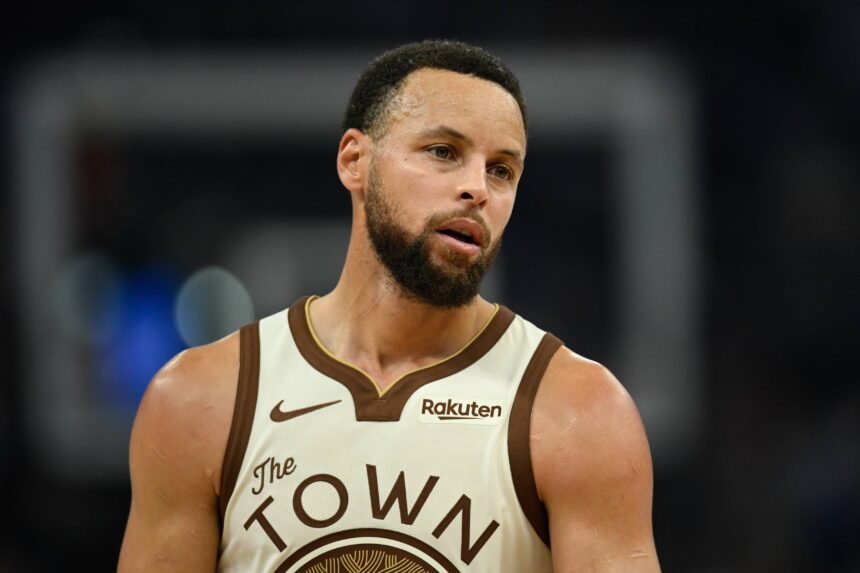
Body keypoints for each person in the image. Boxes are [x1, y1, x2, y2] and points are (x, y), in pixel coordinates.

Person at [118, 40, 660, 572]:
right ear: (355, 160)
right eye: (443, 152)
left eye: (501, 170)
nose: (477, 189)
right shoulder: (199, 401)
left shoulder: (578, 413)